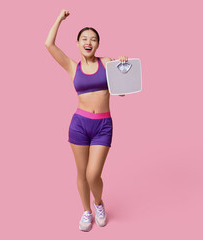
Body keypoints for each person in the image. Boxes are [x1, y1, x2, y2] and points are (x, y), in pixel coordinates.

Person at [45, 9, 127, 232]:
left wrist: (122, 67)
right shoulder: (73, 67)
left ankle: (98, 204)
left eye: (93, 39)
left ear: (98, 44)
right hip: (79, 124)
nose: (88, 42)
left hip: (103, 125)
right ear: (78, 43)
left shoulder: (107, 62)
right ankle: (86, 211)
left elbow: (121, 92)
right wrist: (60, 18)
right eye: (84, 39)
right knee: (81, 174)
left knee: (93, 174)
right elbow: (49, 45)